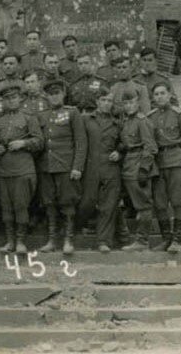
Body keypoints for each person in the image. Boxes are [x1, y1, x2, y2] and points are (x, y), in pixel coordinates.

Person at [36, 80, 86, 255]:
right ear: (47, 96)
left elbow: (81, 142)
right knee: (49, 203)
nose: (54, 96)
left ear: (63, 94)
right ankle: (51, 240)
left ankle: (68, 240)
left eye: (57, 93)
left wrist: (77, 166)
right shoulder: (42, 115)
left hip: (66, 166)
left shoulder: (72, 113)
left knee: (67, 203)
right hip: (46, 166)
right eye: (51, 94)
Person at [0, 85, 43, 254]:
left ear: (20, 98)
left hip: (23, 168)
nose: (11, 101)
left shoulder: (29, 118)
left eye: (13, 98)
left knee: (21, 205)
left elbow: (40, 141)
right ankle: (10, 241)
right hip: (3, 169)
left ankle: (21, 241)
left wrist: (24, 143)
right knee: (6, 206)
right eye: (7, 98)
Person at [147, 80, 181, 253]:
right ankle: (166, 239)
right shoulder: (150, 117)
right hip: (158, 163)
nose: (160, 97)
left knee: (178, 201)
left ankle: (178, 240)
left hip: (176, 161)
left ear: (170, 94)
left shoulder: (180, 114)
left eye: (162, 93)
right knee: (159, 203)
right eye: (156, 94)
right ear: (153, 97)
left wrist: (178, 154)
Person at [78, 88, 123, 253]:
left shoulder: (117, 123)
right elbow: (79, 143)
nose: (106, 103)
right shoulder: (86, 120)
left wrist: (119, 152)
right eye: (103, 100)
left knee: (108, 205)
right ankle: (78, 228)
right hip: (90, 167)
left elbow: (124, 142)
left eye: (109, 101)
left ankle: (103, 241)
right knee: (86, 202)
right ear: (97, 101)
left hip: (111, 168)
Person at [117, 88, 159, 251]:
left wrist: (144, 169)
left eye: (132, 102)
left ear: (138, 103)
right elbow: (126, 142)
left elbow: (150, 147)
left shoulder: (142, 121)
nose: (129, 106)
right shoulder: (126, 121)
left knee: (144, 205)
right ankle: (126, 236)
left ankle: (142, 241)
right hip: (127, 164)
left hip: (138, 165)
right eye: (125, 103)